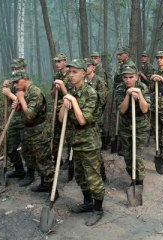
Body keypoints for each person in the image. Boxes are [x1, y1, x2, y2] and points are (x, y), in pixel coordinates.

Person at [59, 59, 105, 226]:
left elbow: (82, 120)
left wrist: (74, 101)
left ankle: (98, 209)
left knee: (93, 176)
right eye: (70, 72)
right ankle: (87, 202)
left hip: (89, 141)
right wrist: (65, 103)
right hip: (75, 140)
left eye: (74, 72)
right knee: (79, 175)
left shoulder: (91, 93)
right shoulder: (71, 92)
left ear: (83, 73)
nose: (71, 75)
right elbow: (61, 118)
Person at [3, 70, 57, 199]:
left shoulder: (35, 92)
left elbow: (31, 114)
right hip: (29, 131)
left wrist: (20, 98)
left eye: (17, 82)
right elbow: (20, 109)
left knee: (44, 161)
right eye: (14, 83)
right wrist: (17, 102)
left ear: (25, 79)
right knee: (34, 160)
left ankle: (53, 191)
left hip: (39, 131)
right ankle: (44, 184)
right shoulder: (24, 92)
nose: (15, 85)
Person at [2, 58, 34, 187]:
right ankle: (19, 169)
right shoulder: (14, 83)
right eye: (13, 69)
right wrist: (7, 91)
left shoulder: (27, 83)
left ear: (24, 69)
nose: (15, 71)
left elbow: (25, 102)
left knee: (27, 150)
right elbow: (12, 104)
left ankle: (30, 173)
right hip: (15, 119)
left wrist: (10, 94)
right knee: (10, 147)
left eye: (18, 69)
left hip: (26, 121)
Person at [115, 65, 150, 185]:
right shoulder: (120, 89)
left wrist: (139, 94)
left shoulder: (143, 87)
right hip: (125, 126)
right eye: (125, 77)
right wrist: (128, 94)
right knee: (128, 156)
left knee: (137, 156)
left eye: (131, 77)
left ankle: (139, 181)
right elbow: (122, 110)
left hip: (140, 126)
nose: (128, 80)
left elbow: (145, 109)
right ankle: (132, 176)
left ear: (136, 77)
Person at [84, 57, 109, 181]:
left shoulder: (99, 81)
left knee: (96, 147)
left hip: (95, 118)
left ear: (93, 67)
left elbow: (103, 100)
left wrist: (89, 92)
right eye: (85, 66)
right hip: (82, 119)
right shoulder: (81, 82)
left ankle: (102, 173)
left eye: (88, 65)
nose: (86, 68)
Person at [51, 53, 72, 169]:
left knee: (69, 134)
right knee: (56, 134)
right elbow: (53, 95)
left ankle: (70, 158)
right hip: (57, 108)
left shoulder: (71, 74)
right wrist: (55, 86)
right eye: (56, 62)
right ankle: (57, 158)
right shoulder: (56, 76)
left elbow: (71, 96)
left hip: (67, 107)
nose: (57, 64)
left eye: (59, 61)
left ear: (65, 61)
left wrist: (62, 87)